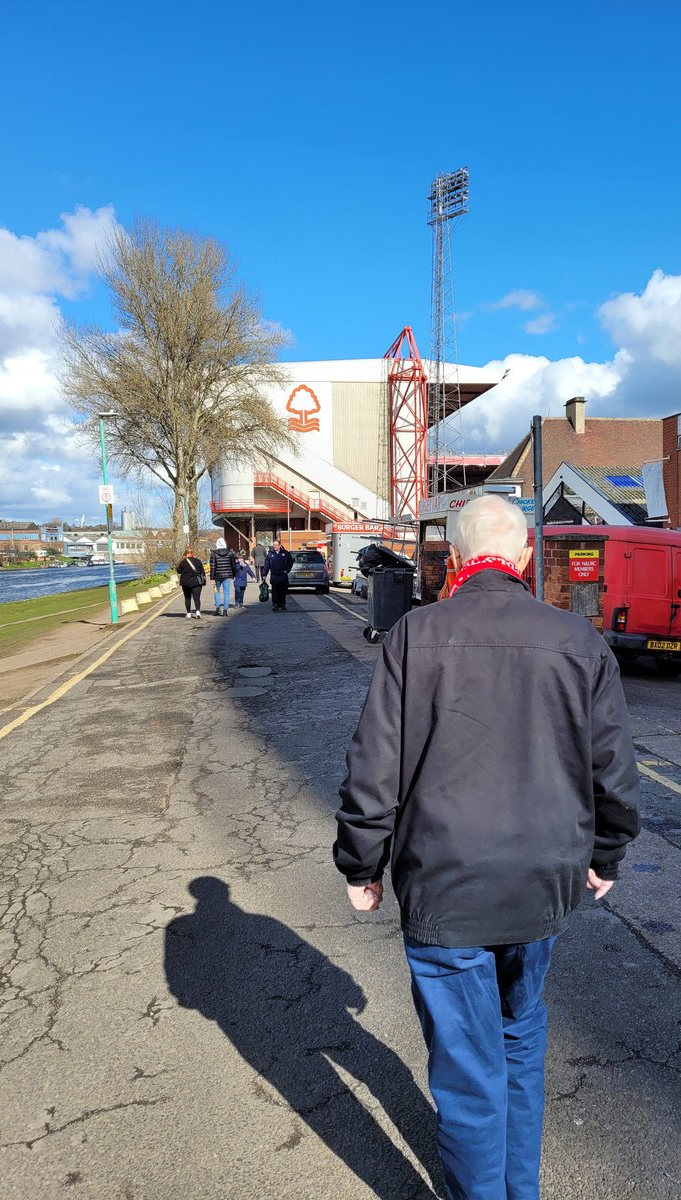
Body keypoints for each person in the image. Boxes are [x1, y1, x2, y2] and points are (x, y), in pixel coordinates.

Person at [333, 494, 640, 1200]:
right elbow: (614, 770)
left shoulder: (415, 634)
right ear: (525, 555)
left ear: (456, 557)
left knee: (469, 1066)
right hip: (540, 881)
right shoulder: (577, 639)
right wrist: (606, 854)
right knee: (520, 1038)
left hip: (446, 883)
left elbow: (374, 764)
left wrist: (361, 863)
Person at [209, 537, 237, 616]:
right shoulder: (230, 553)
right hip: (227, 576)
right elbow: (233, 565)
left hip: (217, 576)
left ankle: (218, 608)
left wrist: (211, 578)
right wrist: (234, 574)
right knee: (226, 593)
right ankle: (225, 610)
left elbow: (212, 566)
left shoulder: (214, 553)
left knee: (216, 591)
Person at [176, 546, 205, 619]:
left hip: (185, 583)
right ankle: (197, 612)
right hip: (196, 582)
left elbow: (178, 571)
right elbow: (202, 571)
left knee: (187, 598)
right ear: (192, 553)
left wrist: (181, 560)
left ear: (185, 554)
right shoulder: (198, 561)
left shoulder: (182, 562)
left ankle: (188, 613)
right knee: (197, 598)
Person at [264, 538, 293, 612]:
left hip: (283, 576)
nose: (275, 546)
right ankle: (275, 604)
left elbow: (290, 562)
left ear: (279, 545)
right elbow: (266, 565)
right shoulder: (270, 555)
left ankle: (282, 604)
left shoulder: (285, 553)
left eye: (276, 545)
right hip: (274, 576)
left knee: (283, 591)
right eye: (274, 545)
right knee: (275, 591)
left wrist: (287, 570)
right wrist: (264, 574)